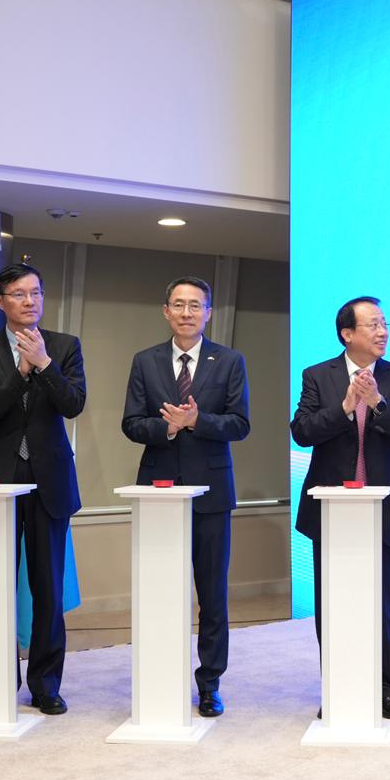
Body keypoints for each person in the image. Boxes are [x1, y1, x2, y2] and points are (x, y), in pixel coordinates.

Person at [290, 296, 390, 721]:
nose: (382, 332)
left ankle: (387, 691)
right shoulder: (318, 376)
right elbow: (302, 431)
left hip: (387, 509)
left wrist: (379, 403)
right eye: (373, 325)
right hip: (333, 510)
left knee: (385, 604)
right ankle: (338, 686)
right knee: (333, 604)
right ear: (347, 334)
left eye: (385, 324)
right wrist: (346, 407)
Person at [122, 277, 251, 718]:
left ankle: (210, 683)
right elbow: (131, 424)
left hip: (211, 494)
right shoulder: (145, 361)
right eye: (178, 304)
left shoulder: (229, 361)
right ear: (165, 311)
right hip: (158, 493)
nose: (186, 313)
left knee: (212, 595)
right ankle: (162, 677)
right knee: (160, 591)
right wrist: (169, 427)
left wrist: (198, 421)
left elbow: (240, 424)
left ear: (208, 313)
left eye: (195, 305)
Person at [0, 263, 85, 715]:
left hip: (50, 480)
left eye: (36, 292)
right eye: (19, 294)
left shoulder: (65, 346)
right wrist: (20, 371)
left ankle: (46, 685)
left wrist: (45, 364)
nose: (29, 301)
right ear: (0, 302)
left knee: (48, 588)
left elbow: (74, 404)